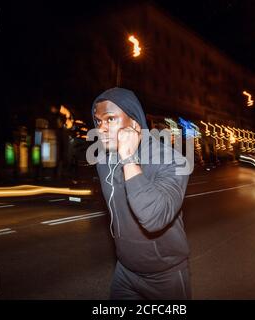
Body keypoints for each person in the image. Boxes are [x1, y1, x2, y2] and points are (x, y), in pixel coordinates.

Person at [91, 87, 191, 300]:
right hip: (125, 271)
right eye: (98, 121)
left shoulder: (173, 161)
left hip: (165, 276)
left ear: (135, 124)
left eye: (110, 120)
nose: (101, 128)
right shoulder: (104, 162)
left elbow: (154, 217)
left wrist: (128, 159)